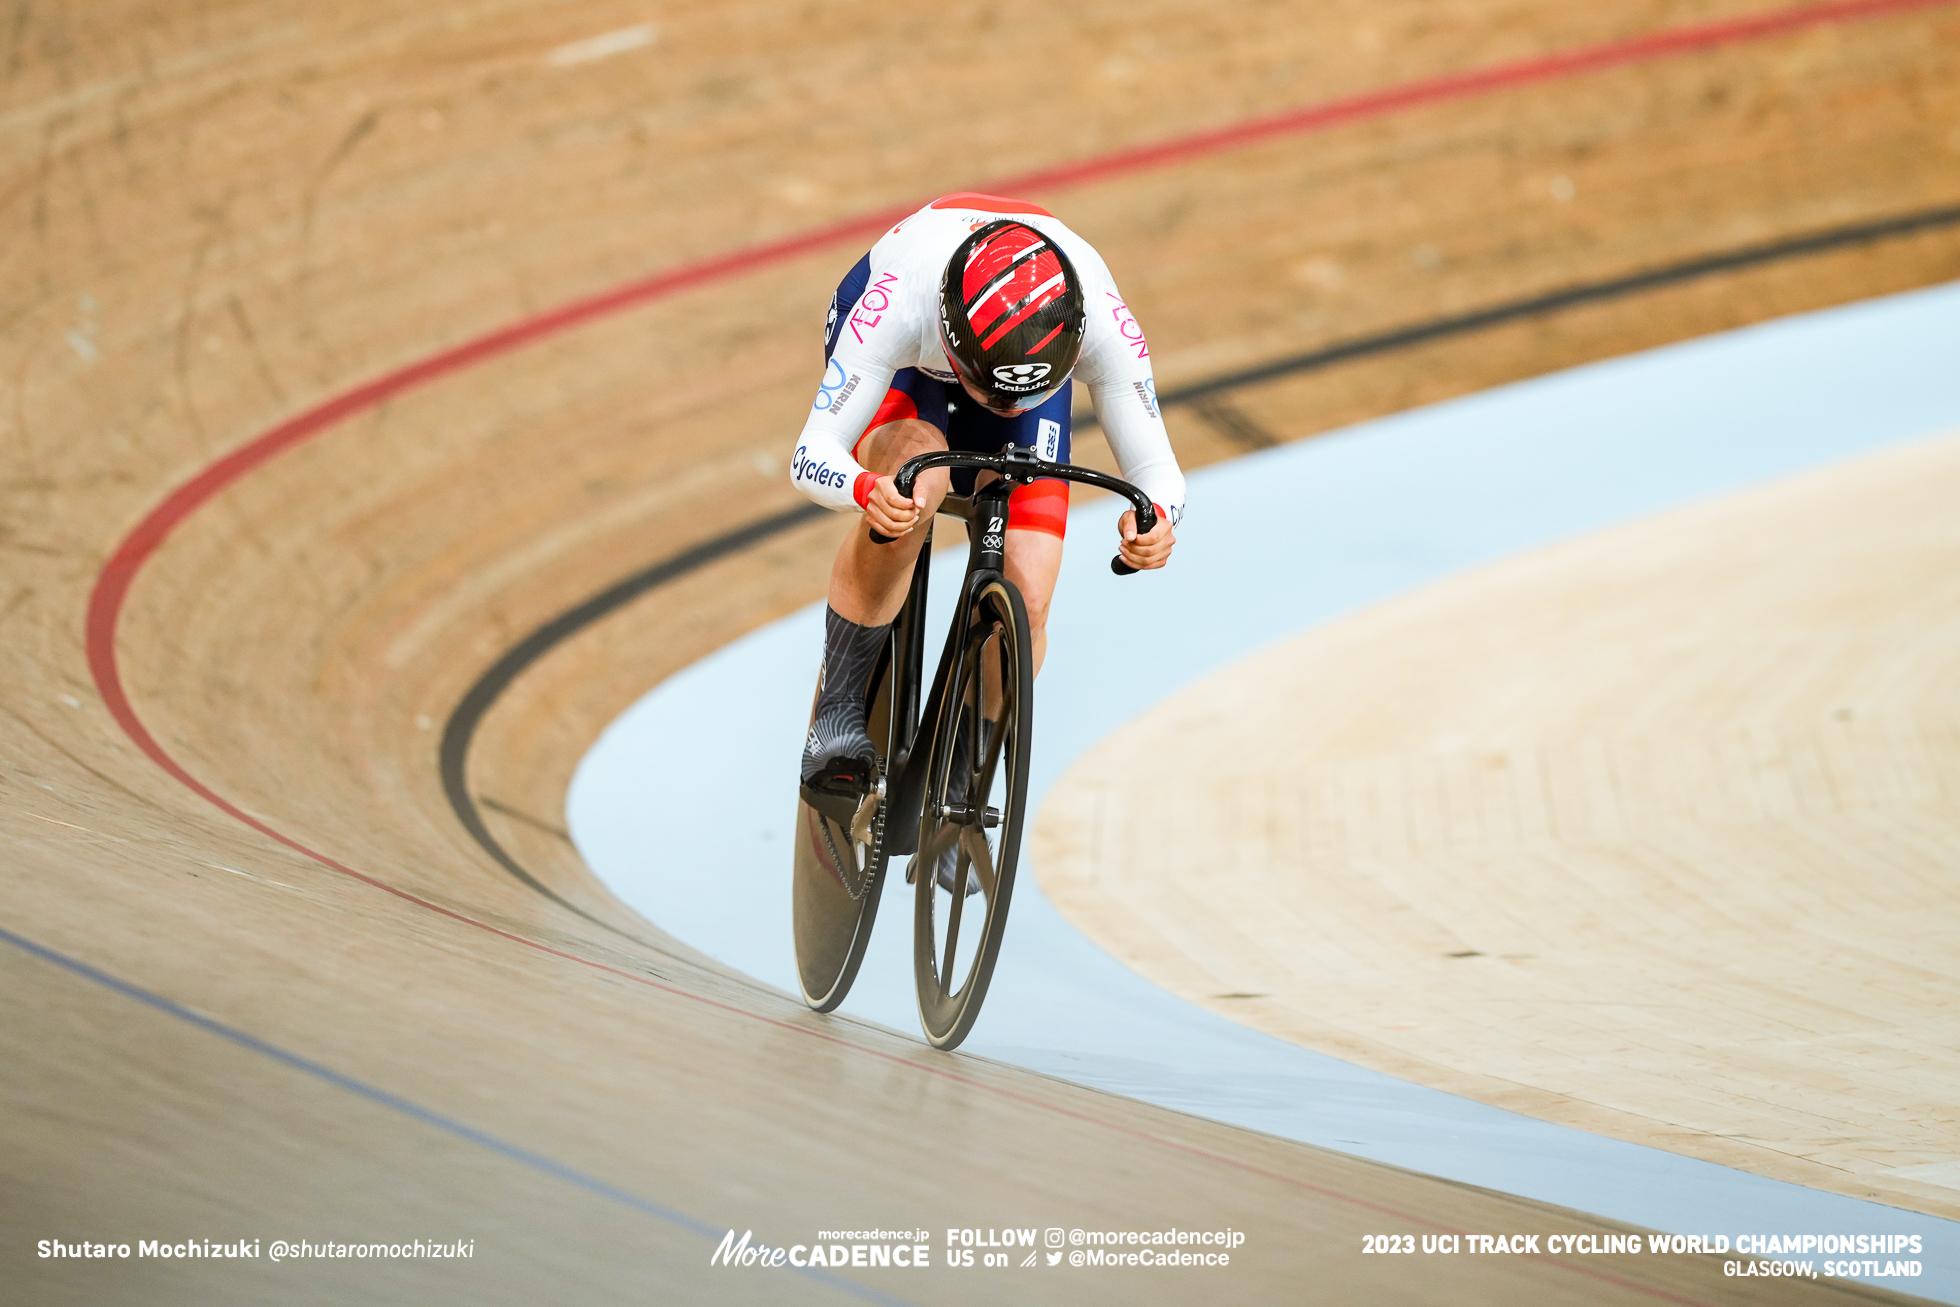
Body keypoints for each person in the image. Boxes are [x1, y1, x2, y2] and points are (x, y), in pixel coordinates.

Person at [790, 192, 1187, 827]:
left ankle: (966, 760)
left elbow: (1157, 471)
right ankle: (837, 708)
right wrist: (868, 489)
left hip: (1012, 359)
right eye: (989, 394)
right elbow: (811, 456)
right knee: (915, 475)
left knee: (1028, 596)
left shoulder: (1103, 324)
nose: (1000, 410)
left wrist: (1161, 521)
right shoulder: (898, 303)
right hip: (913, 366)